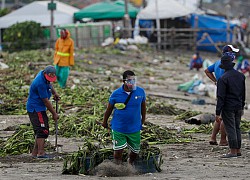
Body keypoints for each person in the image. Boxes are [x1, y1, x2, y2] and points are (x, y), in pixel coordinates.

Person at [102, 70, 146, 165]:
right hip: (119, 127)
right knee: (118, 151)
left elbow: (143, 107)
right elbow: (109, 109)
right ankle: (118, 168)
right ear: (124, 81)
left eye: (134, 80)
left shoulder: (140, 92)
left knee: (135, 151)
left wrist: (143, 121)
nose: (132, 83)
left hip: (134, 127)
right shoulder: (116, 94)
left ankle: (130, 164)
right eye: (129, 81)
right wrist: (104, 121)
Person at [204, 44, 239, 146]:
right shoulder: (226, 66)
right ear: (228, 54)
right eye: (233, 53)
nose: (234, 55)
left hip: (220, 90)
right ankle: (223, 140)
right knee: (225, 117)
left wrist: (215, 81)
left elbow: (207, 71)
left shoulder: (217, 63)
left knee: (220, 116)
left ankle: (213, 137)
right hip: (227, 92)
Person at [26, 65, 60, 158]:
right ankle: (41, 153)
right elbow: (45, 101)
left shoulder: (43, 74)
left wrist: (54, 93)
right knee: (42, 130)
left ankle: (35, 153)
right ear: (45, 73)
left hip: (39, 108)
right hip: (35, 108)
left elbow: (49, 84)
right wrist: (54, 113)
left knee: (40, 130)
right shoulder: (39, 83)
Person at [216, 54, 245, 158]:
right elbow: (243, 93)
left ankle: (232, 151)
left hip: (228, 107)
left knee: (231, 128)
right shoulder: (241, 76)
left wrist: (217, 112)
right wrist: (242, 105)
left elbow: (220, 97)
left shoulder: (223, 78)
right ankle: (238, 150)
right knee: (237, 128)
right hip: (238, 105)